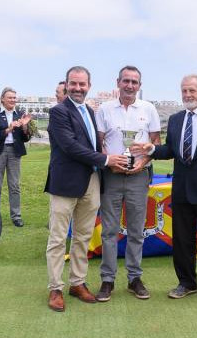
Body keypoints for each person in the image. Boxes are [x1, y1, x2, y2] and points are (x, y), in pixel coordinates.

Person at [133, 74, 197, 308]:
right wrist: (151, 149)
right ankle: (187, 283)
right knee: (182, 242)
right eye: (184, 91)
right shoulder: (176, 119)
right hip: (181, 191)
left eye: (192, 90)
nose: (188, 95)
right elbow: (170, 150)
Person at [44, 66, 128, 312]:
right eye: (74, 84)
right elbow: (70, 146)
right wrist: (106, 160)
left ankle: (77, 283)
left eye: (82, 84)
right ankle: (55, 287)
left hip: (91, 181)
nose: (78, 88)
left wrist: (108, 156)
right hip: (65, 183)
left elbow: (94, 143)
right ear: (67, 85)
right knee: (58, 238)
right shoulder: (59, 112)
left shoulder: (90, 111)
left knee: (82, 237)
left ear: (89, 86)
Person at [94, 66, 161, 302]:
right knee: (110, 231)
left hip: (138, 176)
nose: (130, 85)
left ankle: (134, 278)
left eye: (134, 82)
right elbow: (99, 143)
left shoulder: (148, 108)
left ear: (139, 85)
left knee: (136, 230)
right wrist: (110, 163)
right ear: (118, 82)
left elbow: (155, 141)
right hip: (111, 175)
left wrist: (143, 162)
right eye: (126, 81)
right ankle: (107, 280)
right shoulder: (104, 109)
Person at [0, 87, 32, 227]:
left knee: (15, 186)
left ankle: (16, 216)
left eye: (14, 98)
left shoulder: (21, 114)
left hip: (14, 152)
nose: (13, 100)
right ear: (2, 99)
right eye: (10, 97)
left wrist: (24, 127)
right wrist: (8, 129)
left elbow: (26, 138)